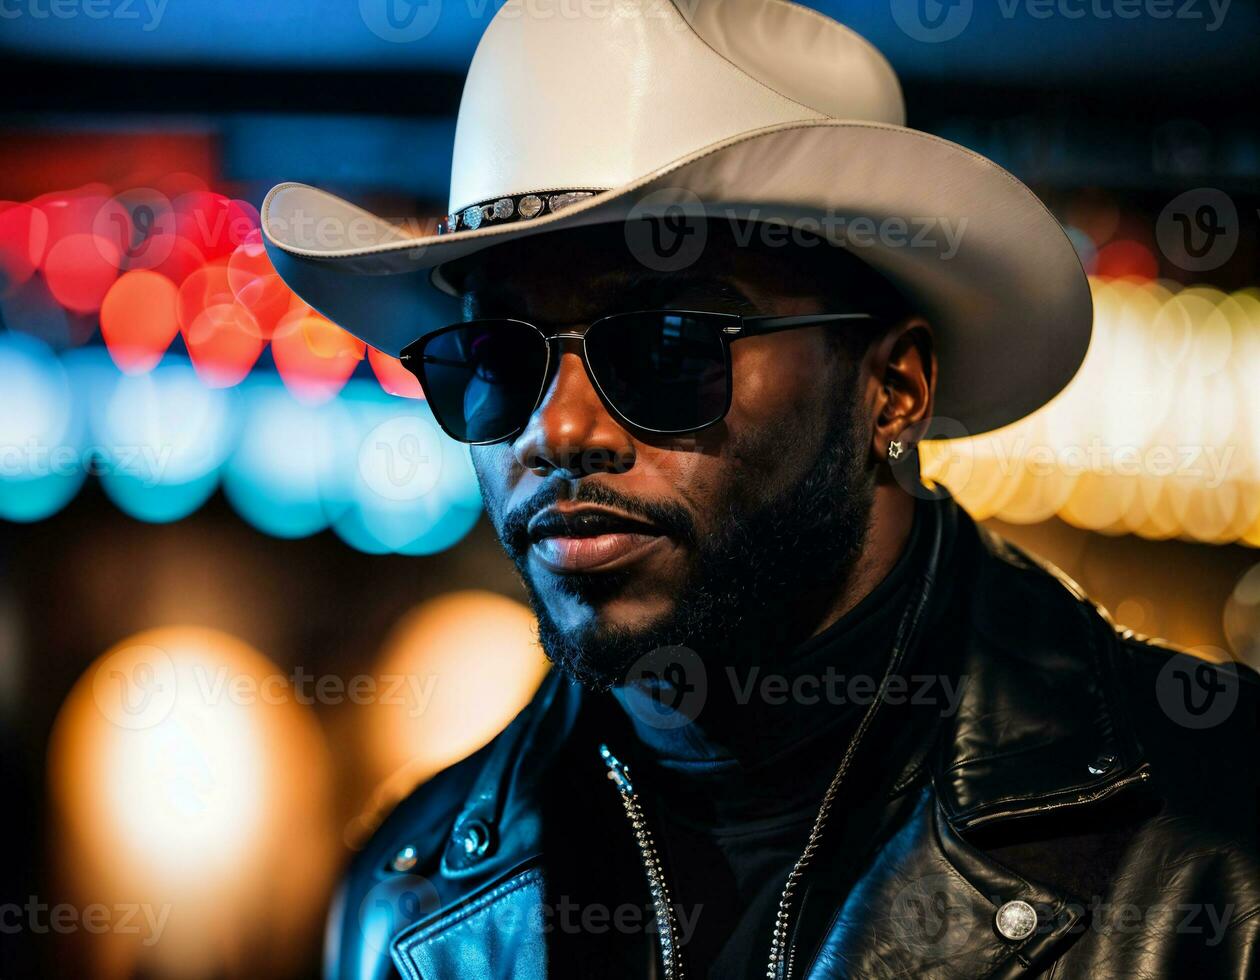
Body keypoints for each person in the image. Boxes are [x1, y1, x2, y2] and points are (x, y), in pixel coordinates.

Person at [262, 2, 1259, 977]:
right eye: (496, 357)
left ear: (893, 388)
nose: (558, 430)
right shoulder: (411, 904)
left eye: (665, 346)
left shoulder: (1212, 848)